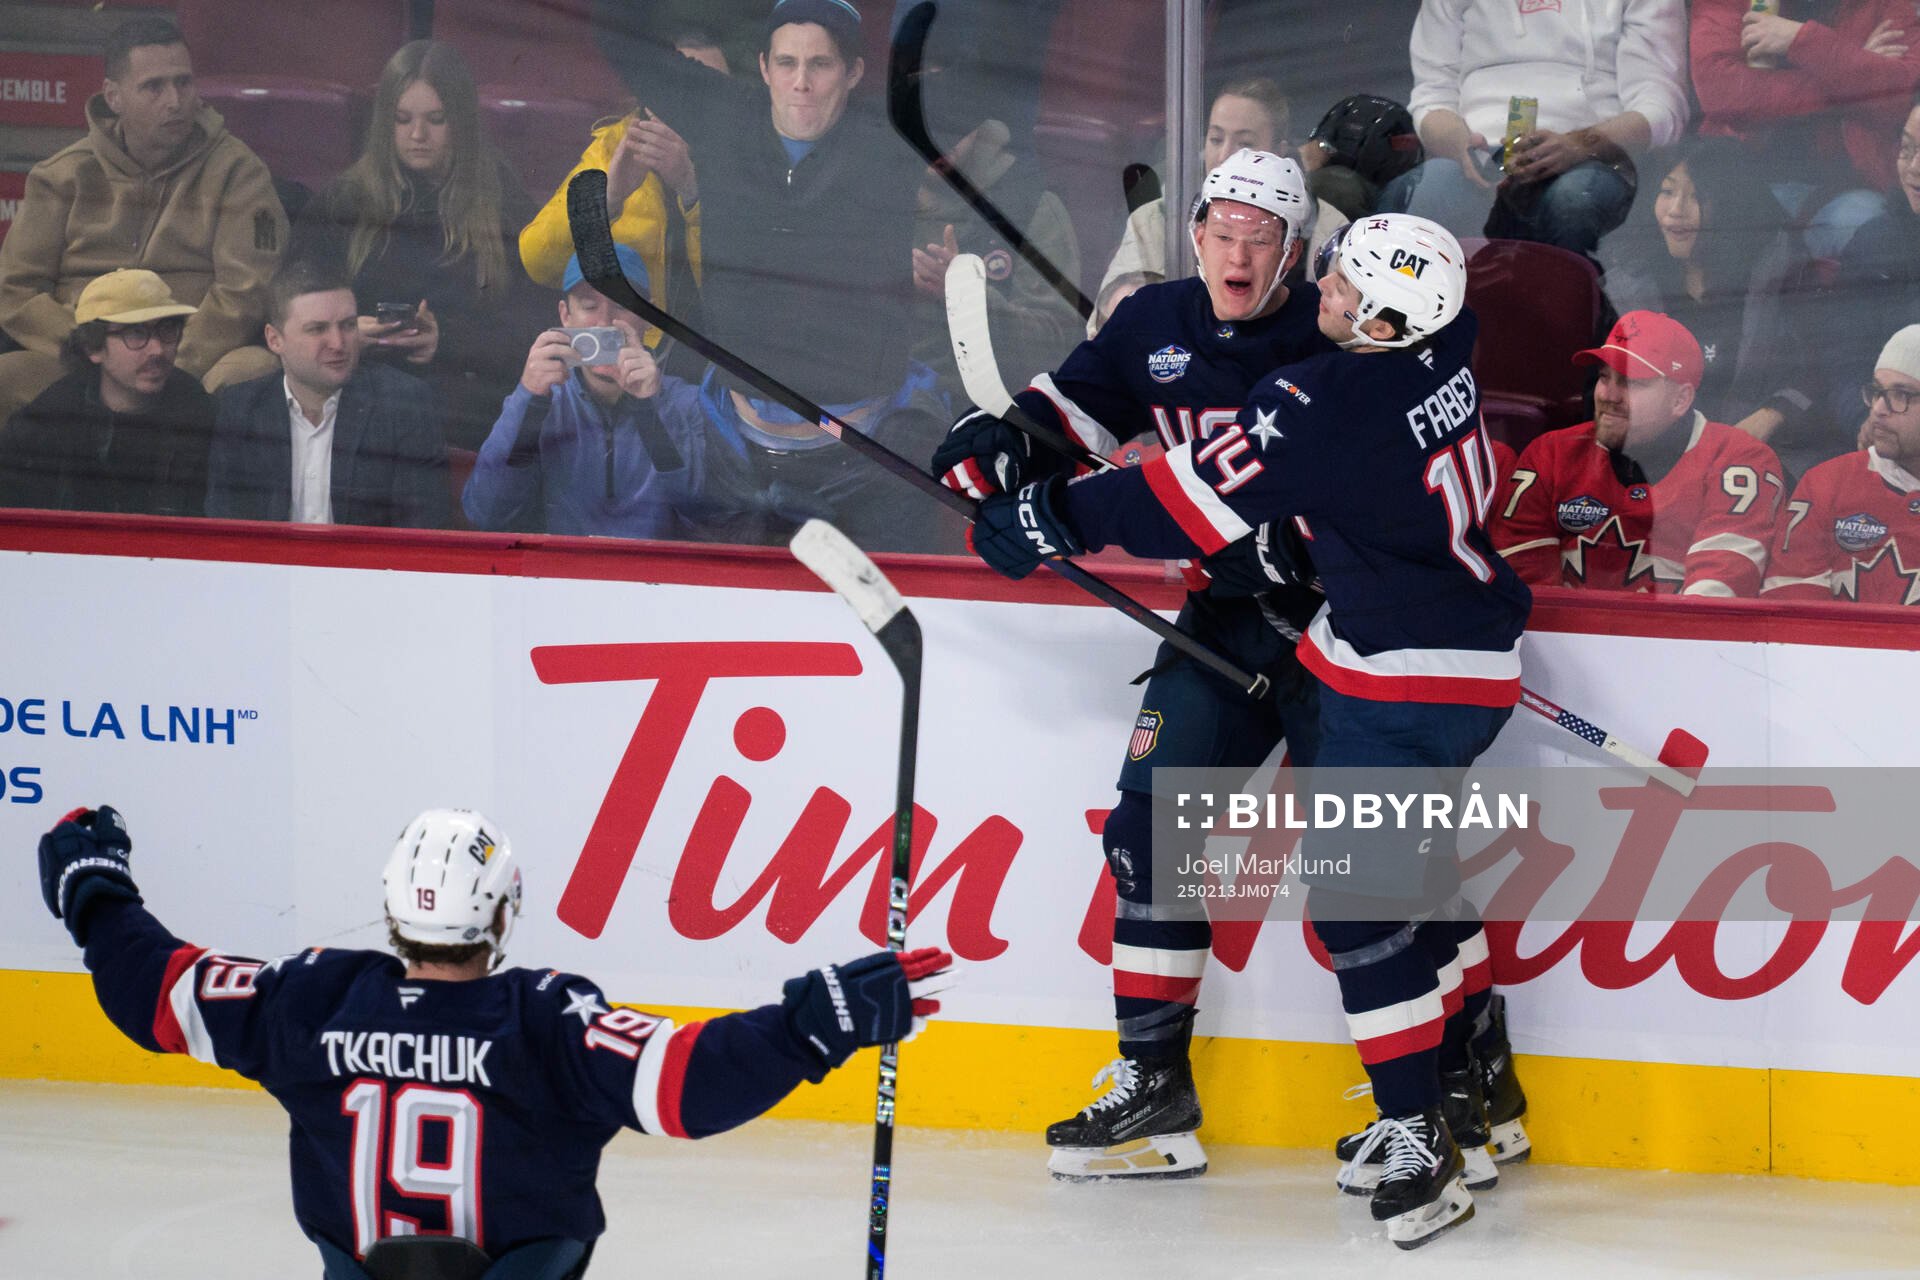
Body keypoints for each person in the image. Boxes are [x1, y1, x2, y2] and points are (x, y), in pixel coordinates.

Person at [964, 213, 1530, 1247]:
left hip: (1400, 673)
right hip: (1446, 649)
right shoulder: (1447, 340)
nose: (1326, 289)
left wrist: (1051, 517)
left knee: (1361, 904)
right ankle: (1461, 1105)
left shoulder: (1328, 402)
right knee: (1360, 880)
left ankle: (1426, 1129)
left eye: (1347, 290)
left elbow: (1183, 499)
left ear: (1387, 315)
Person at [35, 803, 954, 1278]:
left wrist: (94, 888)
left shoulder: (307, 999)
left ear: (392, 907)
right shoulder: (545, 1020)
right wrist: (810, 1022)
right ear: (505, 914)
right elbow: (685, 1087)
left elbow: (152, 993)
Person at [931, 151, 1347, 1186]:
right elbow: (1069, 417)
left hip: (1346, 621)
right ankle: (1156, 1084)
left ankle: (1463, 1068)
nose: (1240, 252)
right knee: (1149, 826)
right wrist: (1000, 454)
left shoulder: (1330, 335)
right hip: (1227, 618)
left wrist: (1070, 512)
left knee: (1376, 861)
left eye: (1264, 237)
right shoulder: (1150, 323)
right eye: (1225, 230)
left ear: (1294, 252)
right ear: (1197, 232)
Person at [589, 0, 921, 412]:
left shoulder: (887, 137)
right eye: (786, 63)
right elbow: (621, 39)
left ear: (852, 72)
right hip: (734, 428)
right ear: (764, 68)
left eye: (819, 64)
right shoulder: (725, 116)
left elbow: (989, 83)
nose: (801, 82)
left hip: (859, 433)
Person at [0, 14, 284, 426]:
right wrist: (98, 355)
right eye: (154, 86)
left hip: (195, 360)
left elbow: (247, 291)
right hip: (83, 359)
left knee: (252, 372)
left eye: (183, 82)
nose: (175, 101)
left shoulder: (239, 173)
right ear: (113, 96)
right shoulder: (61, 175)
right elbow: (15, 289)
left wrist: (164, 360)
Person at [293, 41, 541, 451]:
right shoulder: (345, 199)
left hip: (465, 395)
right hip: (357, 384)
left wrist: (446, 341)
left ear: (460, 121)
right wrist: (348, 333)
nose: (417, 135)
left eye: (436, 120)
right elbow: (293, 297)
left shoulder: (501, 200)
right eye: (402, 119)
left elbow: (535, 324)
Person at [1491, 311, 1786, 596]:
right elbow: (1522, 592)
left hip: (1680, 646)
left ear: (1680, 399)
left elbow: (1715, 602)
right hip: (1558, 645)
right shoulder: (1550, 455)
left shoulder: (1738, 462)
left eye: (1631, 382)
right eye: (1604, 377)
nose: (1608, 395)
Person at [1382, 0, 1688, 257]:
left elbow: (1661, 106)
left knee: (1573, 202)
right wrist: (1460, 145)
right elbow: (1432, 95)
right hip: (1479, 157)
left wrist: (1580, 144)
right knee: (1416, 196)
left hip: (1594, 157)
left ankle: (1569, 320)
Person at [1599, 139, 1821, 468]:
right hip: (1652, 458)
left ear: (1732, 206)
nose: (1676, 210)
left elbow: (1818, 369)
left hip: (1755, 459)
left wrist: (1769, 417)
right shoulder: (1629, 282)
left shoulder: (1779, 275)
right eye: (1667, 192)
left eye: (1696, 196)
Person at [518, 29, 724, 361]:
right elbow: (538, 263)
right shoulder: (615, 147)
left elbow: (747, 292)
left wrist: (691, 189)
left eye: (716, 90)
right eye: (687, 87)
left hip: (721, 359)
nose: (702, 101)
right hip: (629, 353)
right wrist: (608, 199)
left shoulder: (748, 158)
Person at [205, 260, 448, 528]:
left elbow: (419, 536)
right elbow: (228, 536)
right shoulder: (241, 409)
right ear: (275, 340)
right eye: (317, 329)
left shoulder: (404, 404)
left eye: (347, 325)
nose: (338, 343)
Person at [1095, 80, 1348, 335]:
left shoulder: (1329, 228)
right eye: (1216, 139)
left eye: (1244, 144)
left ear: (1278, 151)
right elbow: (1103, 325)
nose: (1225, 155)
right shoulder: (1155, 219)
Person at [463, 248, 683, 537]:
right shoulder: (542, 398)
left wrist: (649, 409)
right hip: (560, 574)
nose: (604, 323)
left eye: (620, 306)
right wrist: (528, 399)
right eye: (590, 306)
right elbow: (486, 513)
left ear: (647, 316)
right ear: (565, 316)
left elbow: (706, 522)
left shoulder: (683, 403)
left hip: (657, 576)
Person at [1691, 0, 1920, 260]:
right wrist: (1852, 67)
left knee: (1877, 232)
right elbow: (1722, 92)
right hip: (1740, 186)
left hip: (1851, 190)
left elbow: (1904, 97)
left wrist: (1801, 40)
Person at [0, 269, 213, 517]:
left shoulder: (205, 420)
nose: (157, 349)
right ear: (93, 347)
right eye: (136, 333)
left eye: (167, 330)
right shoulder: (43, 425)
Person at [908, 111, 1084, 405]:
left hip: (988, 416)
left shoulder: (1030, 208)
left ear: (977, 124)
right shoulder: (870, 195)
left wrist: (968, 296)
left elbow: (1058, 345)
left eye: (954, 122)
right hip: (874, 409)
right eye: (924, 120)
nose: (937, 139)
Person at [1764, 325, 1920, 605]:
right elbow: (1789, 616)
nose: (1878, 409)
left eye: (1901, 395)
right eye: (1876, 391)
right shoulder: (1826, 484)